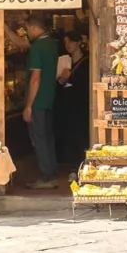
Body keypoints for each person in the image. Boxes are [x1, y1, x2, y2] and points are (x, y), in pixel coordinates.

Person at [22, 13, 61, 188]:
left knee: (39, 139)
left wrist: (28, 105)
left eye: (27, 29)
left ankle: (46, 177)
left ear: (33, 27)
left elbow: (35, 78)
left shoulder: (37, 47)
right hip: (49, 98)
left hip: (37, 101)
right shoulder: (52, 44)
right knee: (47, 137)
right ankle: (51, 173)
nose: (27, 33)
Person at [54, 32, 91, 168]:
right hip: (67, 106)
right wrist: (62, 79)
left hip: (81, 105)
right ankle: (73, 166)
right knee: (70, 136)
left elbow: (84, 85)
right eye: (65, 42)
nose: (68, 45)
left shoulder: (86, 62)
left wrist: (70, 78)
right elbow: (58, 85)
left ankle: (82, 166)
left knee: (81, 136)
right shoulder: (64, 62)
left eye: (70, 41)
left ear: (78, 43)